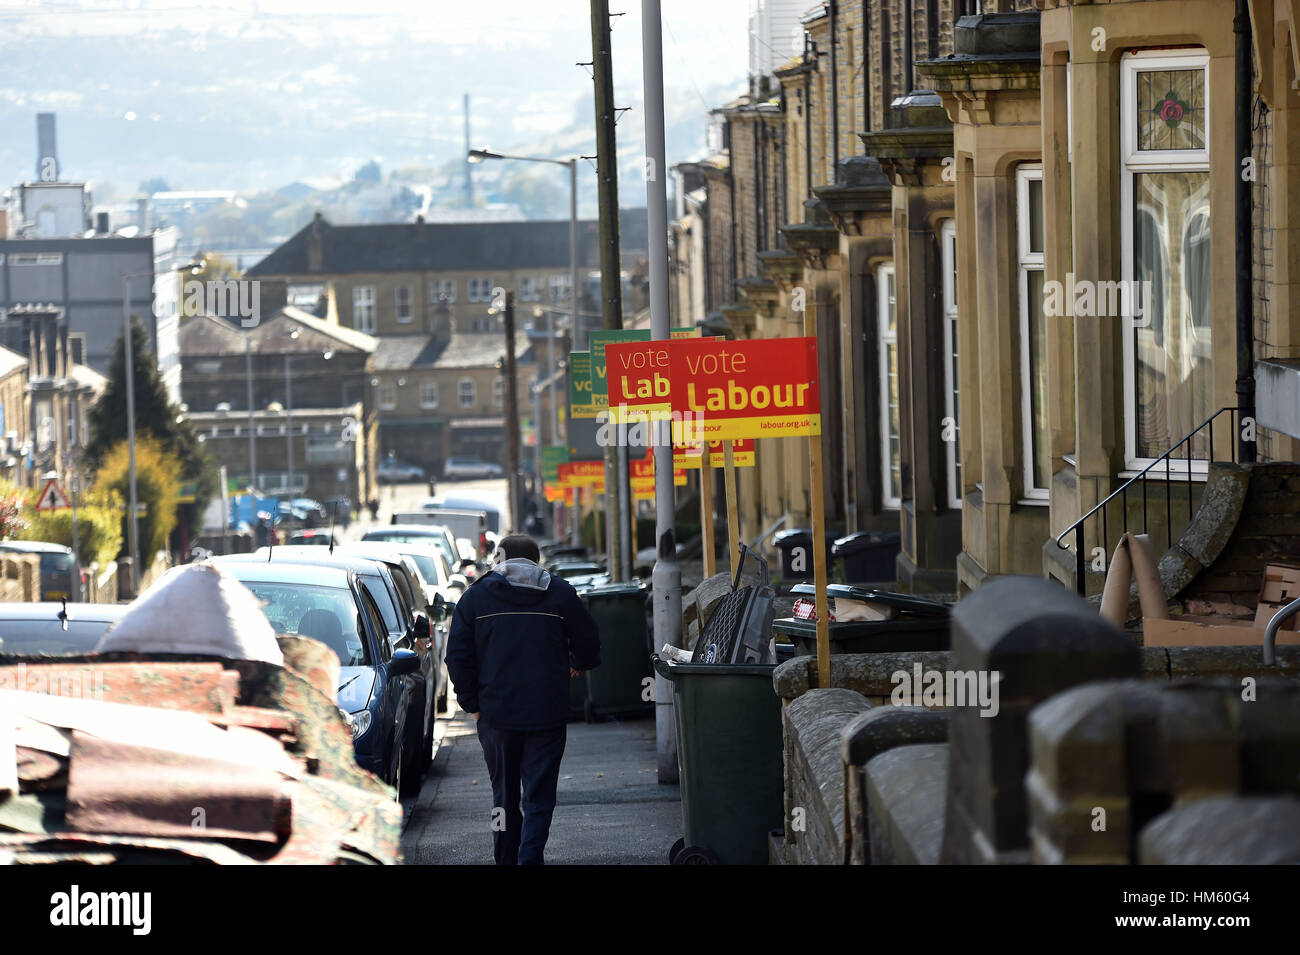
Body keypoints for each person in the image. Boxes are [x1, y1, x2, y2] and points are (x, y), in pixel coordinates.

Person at [446, 533, 600, 865]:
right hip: (547, 713)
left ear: (500, 559)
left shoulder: (474, 599)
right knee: (539, 798)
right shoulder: (560, 594)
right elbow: (589, 644)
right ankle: (529, 857)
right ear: (537, 561)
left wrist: (472, 705)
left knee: (502, 797)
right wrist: (577, 663)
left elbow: (457, 657)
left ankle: (505, 859)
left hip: (495, 717)